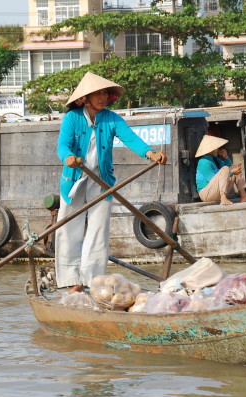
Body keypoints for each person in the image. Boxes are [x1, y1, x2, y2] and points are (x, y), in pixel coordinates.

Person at [54, 72, 166, 293]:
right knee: (69, 229)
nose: (103, 97)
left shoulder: (111, 118)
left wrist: (150, 153)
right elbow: (62, 146)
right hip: (75, 179)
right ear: (86, 97)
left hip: (102, 180)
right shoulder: (72, 118)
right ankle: (70, 280)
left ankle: (92, 281)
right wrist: (68, 158)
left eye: (106, 93)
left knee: (98, 230)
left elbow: (130, 138)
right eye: (99, 93)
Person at [195, 135, 246, 205]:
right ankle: (223, 198)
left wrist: (226, 157)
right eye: (216, 147)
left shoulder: (215, 159)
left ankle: (244, 196)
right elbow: (213, 179)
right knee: (225, 169)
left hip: (216, 191)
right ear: (211, 149)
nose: (218, 149)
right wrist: (231, 173)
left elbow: (229, 167)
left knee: (234, 167)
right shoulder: (204, 162)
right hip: (206, 194)